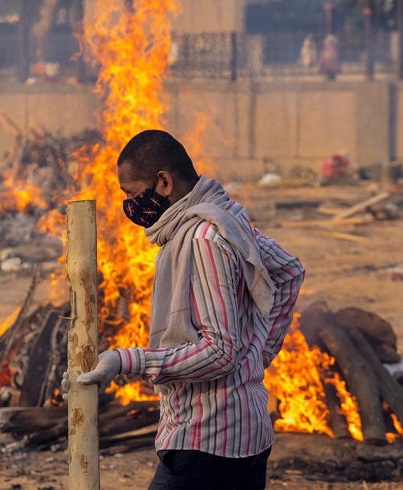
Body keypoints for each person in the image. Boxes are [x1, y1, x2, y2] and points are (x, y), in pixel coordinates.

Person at [68, 130, 305, 490]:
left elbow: (220, 352)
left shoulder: (201, 240)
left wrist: (127, 361)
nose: (130, 205)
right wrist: (261, 349)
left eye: (131, 193)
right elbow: (289, 271)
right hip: (245, 434)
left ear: (163, 181)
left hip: (207, 440)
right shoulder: (226, 217)